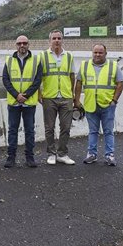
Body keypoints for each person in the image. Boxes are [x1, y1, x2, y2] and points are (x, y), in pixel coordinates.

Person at [74, 44, 123, 166]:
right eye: (95, 52)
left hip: (107, 105)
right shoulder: (85, 65)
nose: (97, 55)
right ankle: (92, 154)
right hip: (90, 105)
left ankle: (109, 155)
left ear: (105, 54)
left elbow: (120, 84)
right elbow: (79, 83)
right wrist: (76, 100)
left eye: (100, 53)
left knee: (108, 131)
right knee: (93, 131)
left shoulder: (113, 66)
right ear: (92, 53)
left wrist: (114, 101)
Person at [39, 30, 78, 165]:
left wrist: (72, 94)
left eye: (59, 38)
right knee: (49, 128)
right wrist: (39, 93)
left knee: (66, 127)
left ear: (62, 40)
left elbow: (72, 76)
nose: (56, 40)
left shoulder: (69, 56)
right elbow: (38, 77)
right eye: (54, 38)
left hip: (66, 97)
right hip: (49, 96)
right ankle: (51, 153)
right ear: (49, 40)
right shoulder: (42, 56)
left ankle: (62, 153)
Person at [2, 35, 42, 168]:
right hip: (14, 103)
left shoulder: (36, 60)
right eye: (19, 43)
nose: (22, 45)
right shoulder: (9, 60)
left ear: (28, 44)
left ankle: (29, 158)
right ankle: (11, 158)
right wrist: (16, 95)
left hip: (28, 102)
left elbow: (37, 80)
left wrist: (25, 95)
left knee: (29, 130)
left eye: (24, 43)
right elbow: (6, 80)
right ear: (16, 45)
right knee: (12, 130)